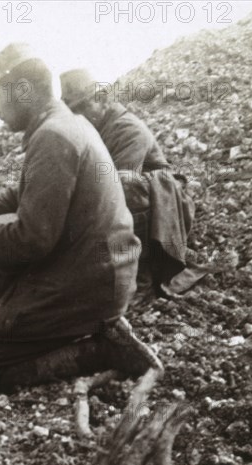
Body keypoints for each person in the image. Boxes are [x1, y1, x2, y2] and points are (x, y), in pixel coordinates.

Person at [0, 43, 162, 394]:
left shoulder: (54, 137)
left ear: (23, 90)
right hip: (97, 271)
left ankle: (101, 351)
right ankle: (22, 343)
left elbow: (32, 240)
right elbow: (18, 195)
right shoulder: (61, 126)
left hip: (91, 284)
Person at [60, 69, 196, 296]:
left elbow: (117, 183)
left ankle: (140, 277)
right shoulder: (93, 130)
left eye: (83, 107)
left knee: (125, 187)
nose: (79, 116)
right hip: (120, 200)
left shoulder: (128, 129)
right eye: (75, 111)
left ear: (102, 99)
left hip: (161, 205)